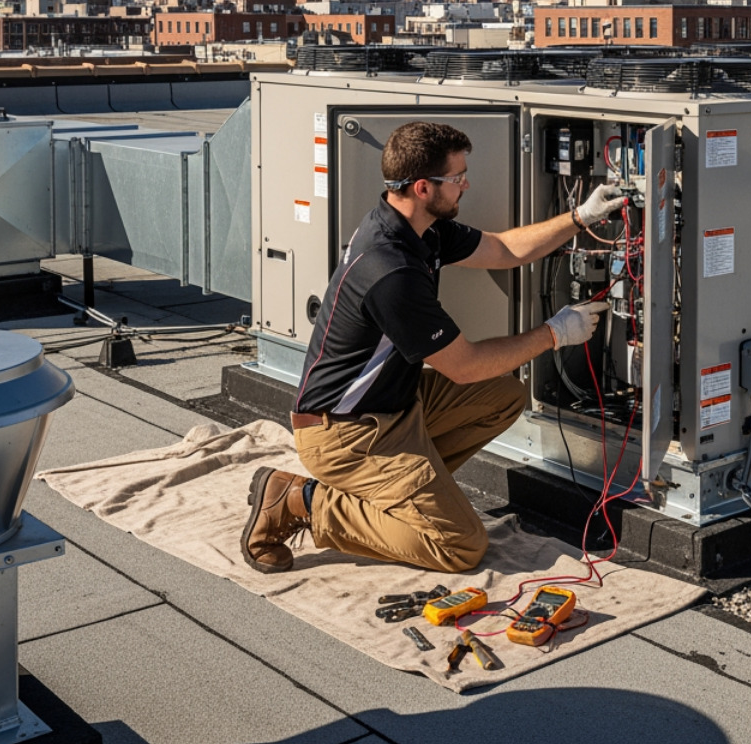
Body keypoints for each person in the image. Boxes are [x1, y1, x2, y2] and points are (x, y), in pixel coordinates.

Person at [241, 120, 624, 574]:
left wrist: (582, 217)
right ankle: (301, 501)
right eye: (457, 177)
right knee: (459, 545)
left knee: (505, 398)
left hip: (397, 406)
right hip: (345, 434)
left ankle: (403, 492)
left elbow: (503, 250)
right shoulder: (390, 270)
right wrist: (554, 334)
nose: (466, 185)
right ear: (423, 187)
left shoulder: (417, 228)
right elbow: (465, 366)